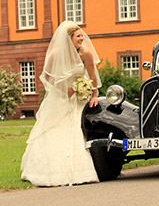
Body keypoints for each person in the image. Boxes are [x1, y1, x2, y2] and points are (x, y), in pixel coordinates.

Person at [21, 21, 101, 186]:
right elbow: (47, 77)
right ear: (68, 39)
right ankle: (50, 171)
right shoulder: (55, 55)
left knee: (79, 130)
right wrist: (65, 90)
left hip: (79, 98)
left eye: (82, 36)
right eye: (78, 36)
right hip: (60, 97)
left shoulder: (85, 53)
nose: (82, 39)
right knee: (54, 130)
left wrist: (94, 94)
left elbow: (93, 76)